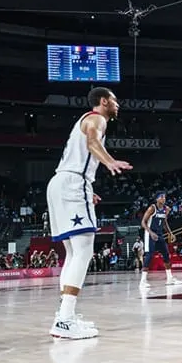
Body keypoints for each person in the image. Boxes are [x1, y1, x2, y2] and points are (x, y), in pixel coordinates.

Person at [46, 87, 132, 339]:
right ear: (103, 101)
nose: (118, 105)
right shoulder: (97, 118)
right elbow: (92, 142)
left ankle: (65, 316)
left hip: (61, 183)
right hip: (73, 183)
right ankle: (64, 319)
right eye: (115, 100)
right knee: (84, 250)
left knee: (72, 252)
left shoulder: (83, 120)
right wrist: (110, 161)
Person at [139, 192, 182, 292]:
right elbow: (143, 223)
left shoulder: (166, 209)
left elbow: (164, 222)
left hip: (159, 234)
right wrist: (150, 233)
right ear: (157, 199)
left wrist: (170, 233)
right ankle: (143, 281)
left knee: (166, 254)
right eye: (162, 197)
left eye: (164, 197)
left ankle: (170, 278)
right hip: (150, 234)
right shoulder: (152, 208)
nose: (164, 199)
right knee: (149, 255)